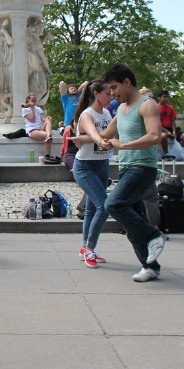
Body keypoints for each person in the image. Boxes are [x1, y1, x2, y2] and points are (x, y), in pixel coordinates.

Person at [99, 64, 165, 282]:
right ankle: (150, 266)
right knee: (130, 223)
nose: (112, 94)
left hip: (142, 168)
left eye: (114, 88)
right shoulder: (121, 110)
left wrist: (123, 146)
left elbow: (155, 136)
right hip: (127, 168)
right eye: (109, 91)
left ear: (127, 82)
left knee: (113, 205)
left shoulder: (147, 105)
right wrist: (87, 134)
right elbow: (107, 135)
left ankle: (154, 235)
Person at [68, 80, 113, 268]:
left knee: (92, 209)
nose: (111, 97)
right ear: (96, 94)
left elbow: (111, 133)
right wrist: (98, 139)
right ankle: (90, 249)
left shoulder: (108, 113)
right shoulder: (88, 114)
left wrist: (84, 138)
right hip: (85, 167)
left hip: (102, 164)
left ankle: (85, 246)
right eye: (108, 94)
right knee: (104, 206)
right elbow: (97, 134)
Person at [21, 93, 56, 162]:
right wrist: (32, 109)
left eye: (35, 101)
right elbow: (32, 119)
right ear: (28, 100)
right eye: (32, 100)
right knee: (46, 135)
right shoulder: (25, 110)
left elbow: (42, 119)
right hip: (32, 130)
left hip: (39, 129)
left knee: (48, 120)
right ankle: (48, 154)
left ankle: (48, 136)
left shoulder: (38, 109)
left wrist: (47, 118)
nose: (34, 102)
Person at [156, 90, 178, 155]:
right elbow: (156, 123)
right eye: (164, 97)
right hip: (161, 129)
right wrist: (166, 131)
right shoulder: (155, 108)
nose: (166, 98)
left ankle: (175, 153)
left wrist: (174, 131)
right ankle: (167, 154)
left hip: (170, 128)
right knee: (164, 136)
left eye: (167, 97)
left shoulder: (170, 108)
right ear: (159, 98)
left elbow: (173, 121)